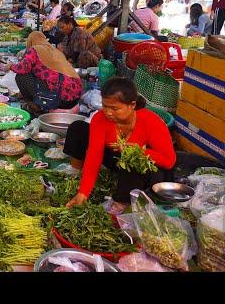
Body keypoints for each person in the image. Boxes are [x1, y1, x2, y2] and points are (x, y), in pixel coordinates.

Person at [64, 77, 176, 207]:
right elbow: (94, 155)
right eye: (105, 106)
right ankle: (74, 172)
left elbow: (169, 161)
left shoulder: (151, 122)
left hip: (148, 171)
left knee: (131, 159)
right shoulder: (100, 119)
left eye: (115, 109)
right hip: (116, 160)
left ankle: (121, 202)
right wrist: (83, 192)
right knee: (78, 128)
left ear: (132, 105)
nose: (108, 112)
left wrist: (138, 151)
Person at [10, 31, 83, 109]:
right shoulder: (55, 51)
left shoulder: (35, 49)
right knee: (36, 75)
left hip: (59, 98)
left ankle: (36, 106)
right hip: (74, 99)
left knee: (21, 77)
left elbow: (22, 68)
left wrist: (10, 66)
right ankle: (40, 101)